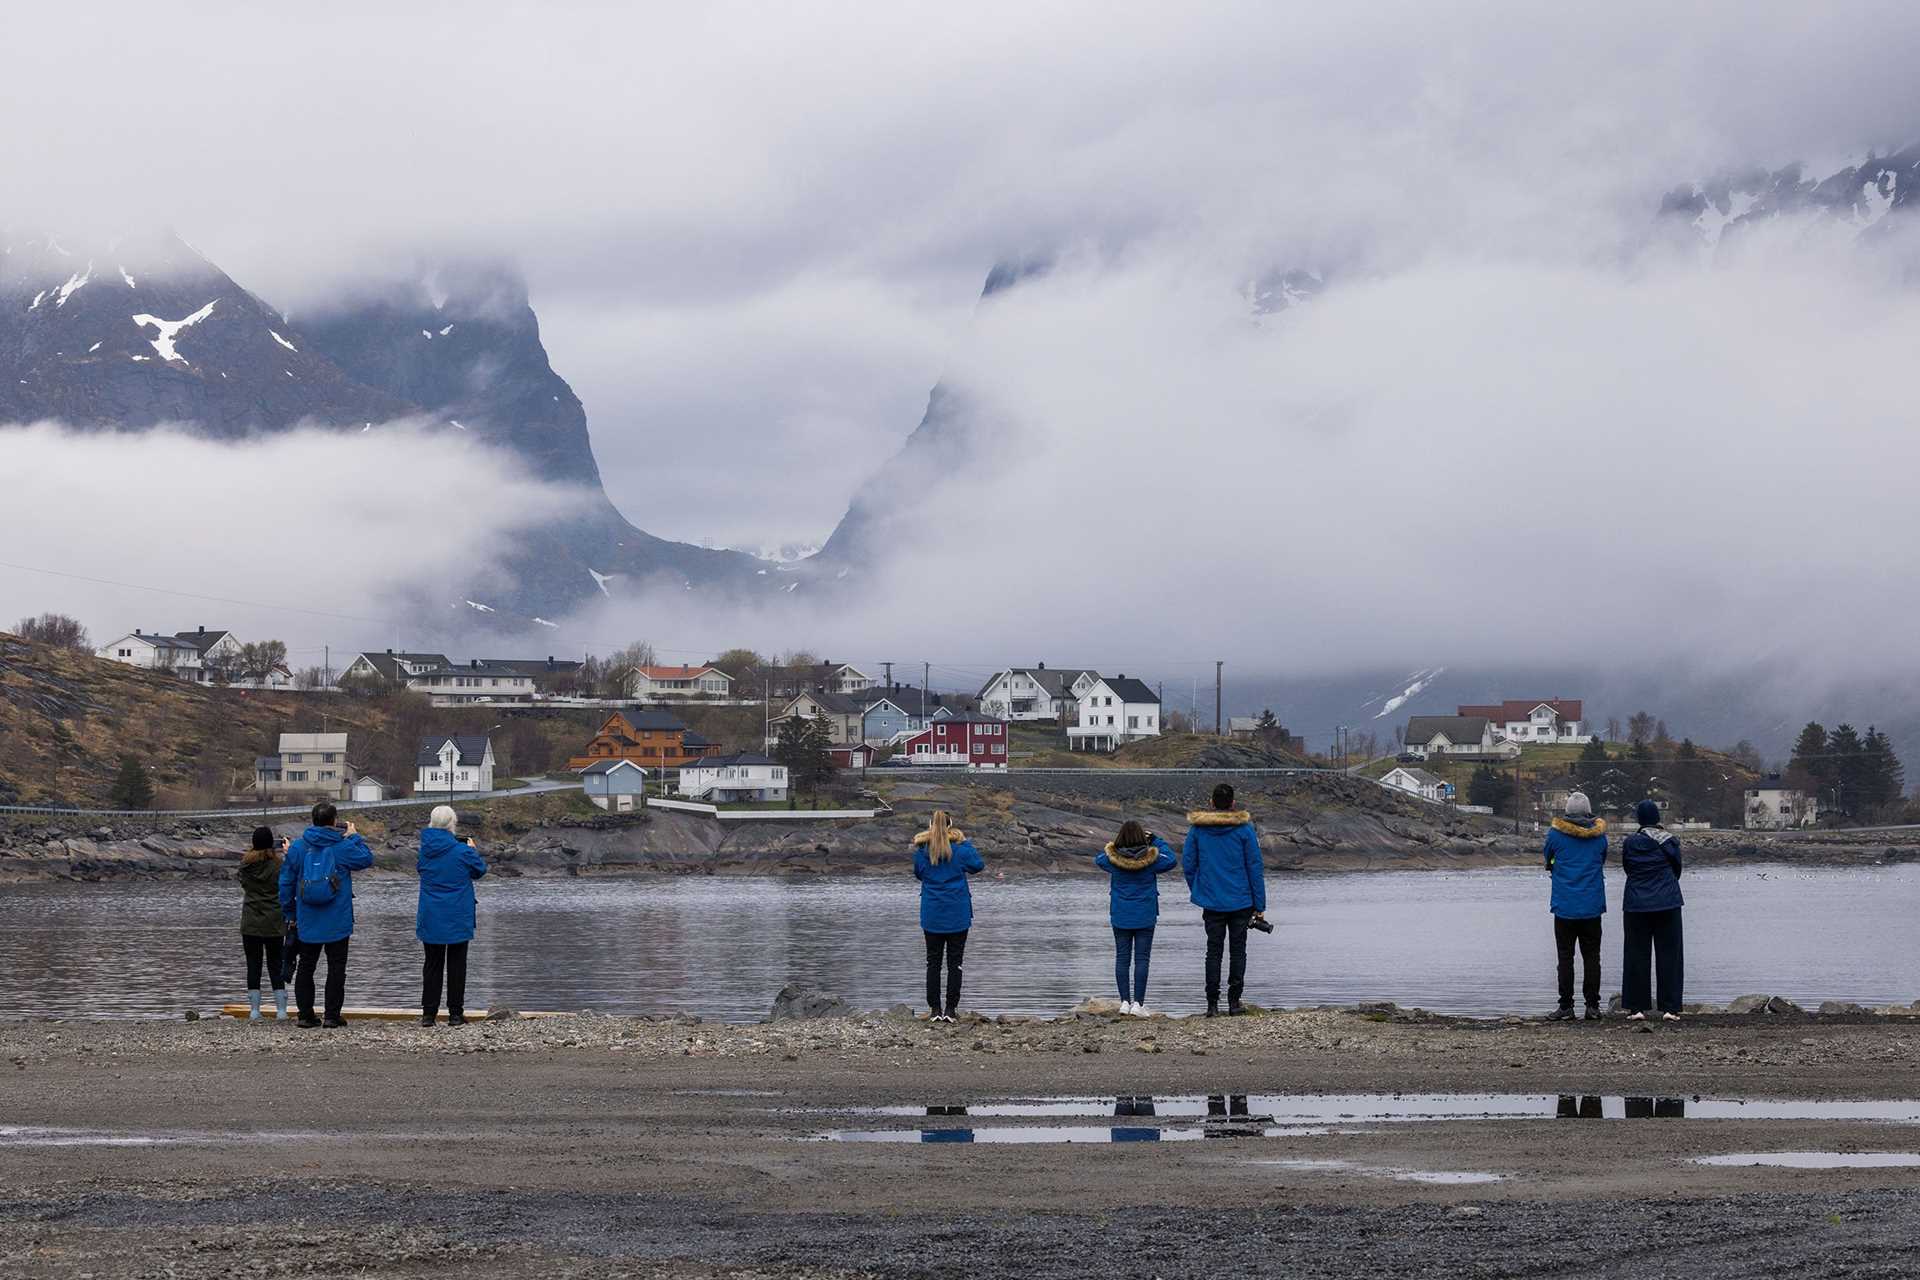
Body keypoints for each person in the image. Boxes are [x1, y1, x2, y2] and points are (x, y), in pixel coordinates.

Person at [277, 801, 374, 1029]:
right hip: (337, 918)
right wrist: (353, 836)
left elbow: (285, 884)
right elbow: (367, 859)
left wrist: (290, 913)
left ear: (313, 820)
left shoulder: (298, 848)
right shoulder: (342, 846)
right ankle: (331, 1016)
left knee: (306, 966)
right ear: (334, 821)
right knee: (336, 967)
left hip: (306, 918)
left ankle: (305, 1015)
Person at [1182, 783, 1268, 1016]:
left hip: (1211, 900)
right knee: (1238, 950)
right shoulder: (1244, 829)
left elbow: (1188, 864)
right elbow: (1254, 866)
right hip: (1241, 900)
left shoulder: (1198, 830)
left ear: (1211, 802)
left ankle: (1212, 1005)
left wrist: (1199, 889)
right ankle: (1234, 1002)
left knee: (1213, 951)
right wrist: (1260, 905)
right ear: (1232, 803)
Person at [1094, 819, 1179, 1016]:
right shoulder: (1152, 860)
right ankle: (1138, 1004)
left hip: (1120, 914)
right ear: (1143, 838)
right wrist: (1156, 840)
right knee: (1142, 959)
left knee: (1122, 958)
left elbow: (1099, 858)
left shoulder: (1112, 860)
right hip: (1145, 914)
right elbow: (1172, 859)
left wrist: (1114, 845)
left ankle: (1124, 1001)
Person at [417, 805, 488, 1026]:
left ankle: (429, 1014)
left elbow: (422, 869)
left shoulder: (425, 851)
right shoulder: (463, 851)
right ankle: (455, 1014)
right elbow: (480, 870)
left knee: (432, 964)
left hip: (431, 913)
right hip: (458, 913)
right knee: (457, 965)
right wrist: (472, 850)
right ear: (452, 824)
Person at [912, 809, 984, 1022]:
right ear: (951, 826)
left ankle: (935, 1010)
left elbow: (919, 874)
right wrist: (965, 842)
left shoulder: (922, 850)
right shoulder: (961, 850)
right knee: (956, 963)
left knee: (932, 963)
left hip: (932, 914)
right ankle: (951, 1010)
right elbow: (978, 866)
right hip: (958, 914)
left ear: (930, 826)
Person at [1542, 791, 1608, 1021]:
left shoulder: (1555, 835)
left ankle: (1566, 1006)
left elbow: (1548, 860)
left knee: (1565, 957)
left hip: (1565, 906)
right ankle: (1592, 1006)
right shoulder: (1599, 837)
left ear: (1567, 812)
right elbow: (1602, 858)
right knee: (1592, 957)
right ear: (1588, 811)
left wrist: (1555, 867)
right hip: (1592, 905)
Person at [1620, 798, 1684, 1021]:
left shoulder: (1630, 843)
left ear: (1639, 819)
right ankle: (1670, 1008)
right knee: (1670, 955)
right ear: (1658, 818)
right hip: (1668, 902)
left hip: (1636, 904)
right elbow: (1677, 870)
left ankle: (1636, 1008)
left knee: (1636, 954)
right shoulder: (1670, 841)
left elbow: (1627, 867)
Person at [237, 826, 290, 1021]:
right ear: (271, 844)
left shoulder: (245, 866)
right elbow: (287, 884)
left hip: (251, 920)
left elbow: (244, 884)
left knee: (253, 964)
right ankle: (282, 1011)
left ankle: (254, 1011)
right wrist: (288, 853)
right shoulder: (279, 865)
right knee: (276, 964)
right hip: (275, 921)